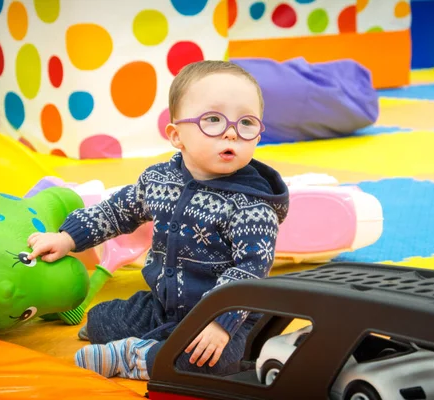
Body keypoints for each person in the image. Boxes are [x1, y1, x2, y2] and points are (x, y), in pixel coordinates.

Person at [27, 60, 290, 380]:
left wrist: (221, 322)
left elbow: (249, 271)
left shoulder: (252, 206)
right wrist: (68, 238)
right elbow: (116, 211)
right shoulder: (159, 180)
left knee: (211, 363)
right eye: (212, 119)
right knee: (99, 321)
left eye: (246, 123)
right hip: (162, 305)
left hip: (226, 317)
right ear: (176, 136)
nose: (232, 133)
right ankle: (152, 340)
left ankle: (140, 357)